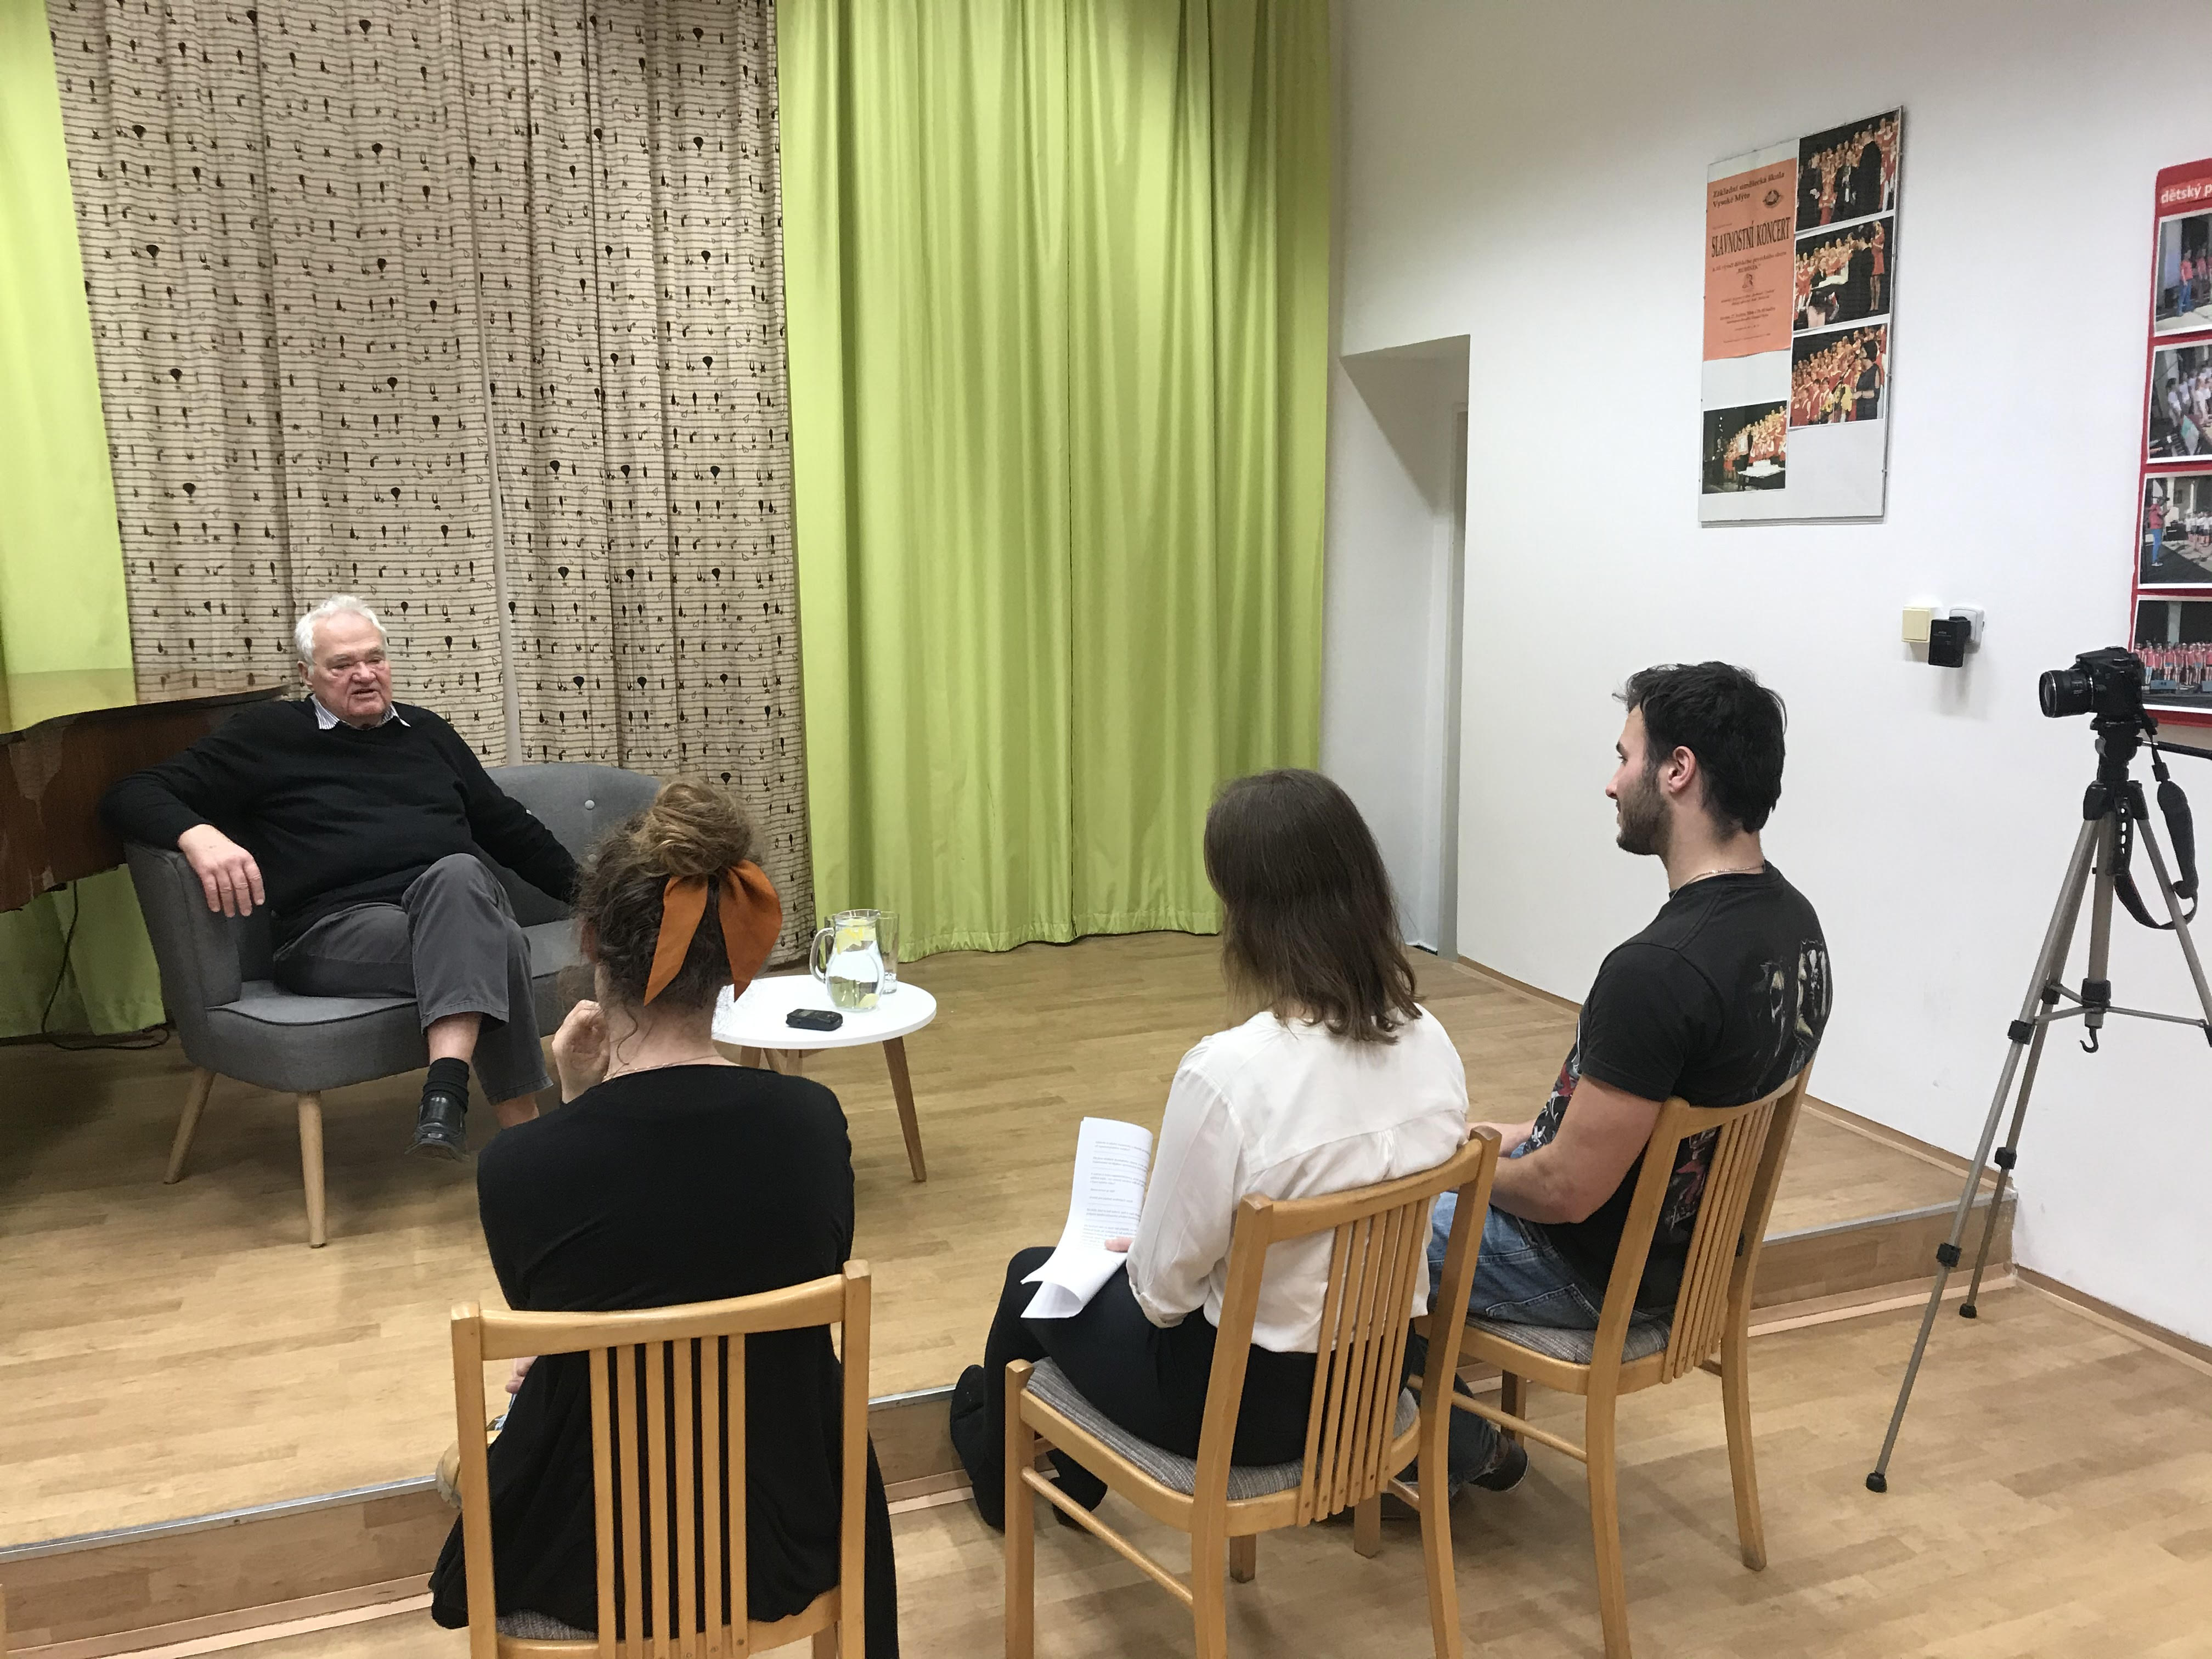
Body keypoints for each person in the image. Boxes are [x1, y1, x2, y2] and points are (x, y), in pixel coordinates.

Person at [426, 782, 899, 1650]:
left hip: (590, 1553)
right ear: (732, 958)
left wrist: (576, 1099)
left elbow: (567, 1310)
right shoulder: (811, 1125)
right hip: (784, 1527)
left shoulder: (521, 1167)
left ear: (593, 941)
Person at [947, 769, 1472, 1528]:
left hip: (1242, 1416)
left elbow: (1161, 1300)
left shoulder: (1229, 1074)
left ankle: (1007, 1485)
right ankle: (1070, 1476)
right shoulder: (1433, 1043)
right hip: (1372, 1388)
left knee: (1033, 1277)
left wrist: (1138, 1249)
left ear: (1248, 918)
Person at [1424, 663, 1830, 1491]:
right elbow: (1622, 1132)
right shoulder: (1796, 925)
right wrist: (1501, 1138)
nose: (1612, 783)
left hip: (1596, 1277)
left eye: (1624, 757)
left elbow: (1566, 1191)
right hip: (1690, 1264)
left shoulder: (1658, 971)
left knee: (1361, 1230)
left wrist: (1461, 1171)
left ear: (1678, 771)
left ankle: (1423, 1452)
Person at [100, 596, 575, 1158]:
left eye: (375, 658)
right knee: (497, 939)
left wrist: (597, 897)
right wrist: (197, 835)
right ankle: (526, 1138)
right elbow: (130, 793)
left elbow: (509, 829)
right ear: (307, 675)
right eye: (342, 665)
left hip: (450, 910)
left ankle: (446, 1098)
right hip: (334, 934)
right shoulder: (267, 735)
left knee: (460, 874)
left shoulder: (428, 732)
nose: (365, 674)